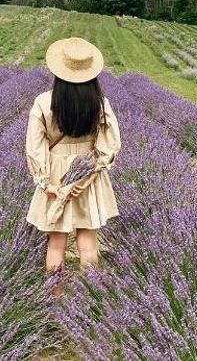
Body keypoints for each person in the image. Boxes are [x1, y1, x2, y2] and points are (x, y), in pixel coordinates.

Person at [24, 37, 121, 272]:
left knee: (56, 243)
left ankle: (56, 298)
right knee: (88, 242)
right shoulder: (99, 103)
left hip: (56, 172)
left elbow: (35, 146)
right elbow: (110, 145)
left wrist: (45, 182)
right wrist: (90, 175)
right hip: (88, 172)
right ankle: (89, 297)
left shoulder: (43, 102)